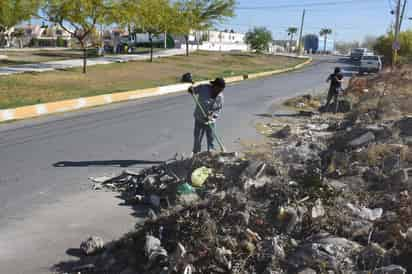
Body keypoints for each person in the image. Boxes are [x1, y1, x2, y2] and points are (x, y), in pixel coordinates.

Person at [188, 78, 225, 154]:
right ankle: (196, 154)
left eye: (221, 90)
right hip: (199, 118)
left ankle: (211, 152)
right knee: (197, 138)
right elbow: (193, 90)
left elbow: (217, 110)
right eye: (218, 89)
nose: (219, 91)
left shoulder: (220, 97)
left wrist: (211, 116)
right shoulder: (204, 88)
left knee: (211, 138)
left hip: (210, 121)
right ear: (214, 86)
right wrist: (191, 90)